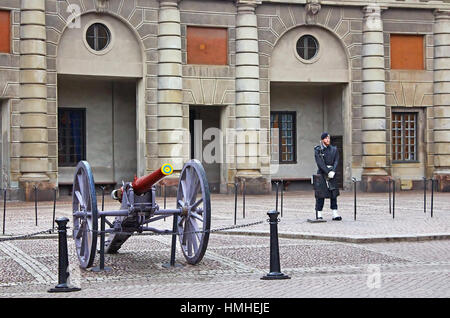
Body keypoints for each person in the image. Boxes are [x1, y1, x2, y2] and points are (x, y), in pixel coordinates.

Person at [314, 132, 342, 221]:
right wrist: (327, 171)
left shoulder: (334, 149)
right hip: (322, 174)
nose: (328, 140)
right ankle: (319, 213)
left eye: (329, 138)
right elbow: (320, 163)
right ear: (322, 140)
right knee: (320, 194)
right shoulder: (318, 149)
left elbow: (336, 160)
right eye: (326, 138)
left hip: (332, 173)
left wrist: (333, 171)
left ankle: (335, 213)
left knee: (333, 194)